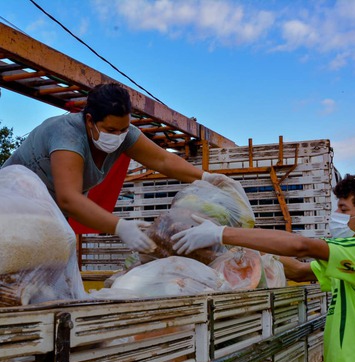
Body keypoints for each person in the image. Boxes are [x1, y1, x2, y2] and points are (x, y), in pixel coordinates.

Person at [171, 174, 355, 362]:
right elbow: (298, 270)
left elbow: (300, 247)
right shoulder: (353, 264)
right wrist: (245, 250)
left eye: (343, 209)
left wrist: (221, 233)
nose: (335, 216)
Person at [2, 82, 240, 253]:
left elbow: (163, 160)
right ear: (89, 120)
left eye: (123, 129)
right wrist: (119, 226)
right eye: (111, 130)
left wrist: (207, 178)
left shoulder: (125, 135)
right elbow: (69, 199)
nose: (118, 136)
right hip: (10, 211)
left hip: (50, 219)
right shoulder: (67, 135)